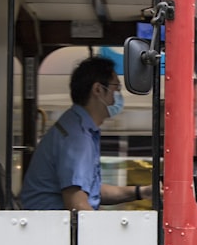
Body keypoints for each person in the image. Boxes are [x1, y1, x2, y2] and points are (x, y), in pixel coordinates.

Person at [19, 56, 149, 210]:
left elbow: (92, 190)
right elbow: (77, 204)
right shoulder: (77, 137)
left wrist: (141, 192)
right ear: (98, 90)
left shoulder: (80, 127)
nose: (118, 97)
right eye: (116, 89)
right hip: (49, 230)